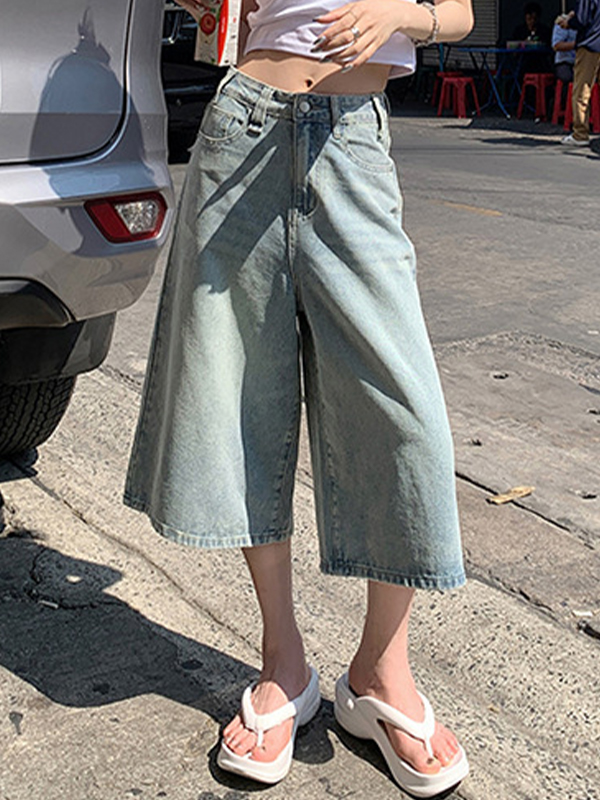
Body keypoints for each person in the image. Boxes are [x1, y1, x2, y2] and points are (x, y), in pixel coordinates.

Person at [123, 0, 474, 796]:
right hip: (241, 131)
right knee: (241, 397)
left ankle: (381, 670)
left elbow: (456, 12)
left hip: (353, 141)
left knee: (407, 414)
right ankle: (282, 661)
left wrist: (400, 14)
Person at [560, 0, 600, 145]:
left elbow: (582, 20)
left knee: (582, 89)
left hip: (589, 44)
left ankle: (580, 134)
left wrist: (568, 22)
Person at [552, 12, 577, 108]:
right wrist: (577, 44)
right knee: (569, 78)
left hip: (582, 62)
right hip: (565, 62)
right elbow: (556, 45)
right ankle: (565, 107)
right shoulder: (563, 21)